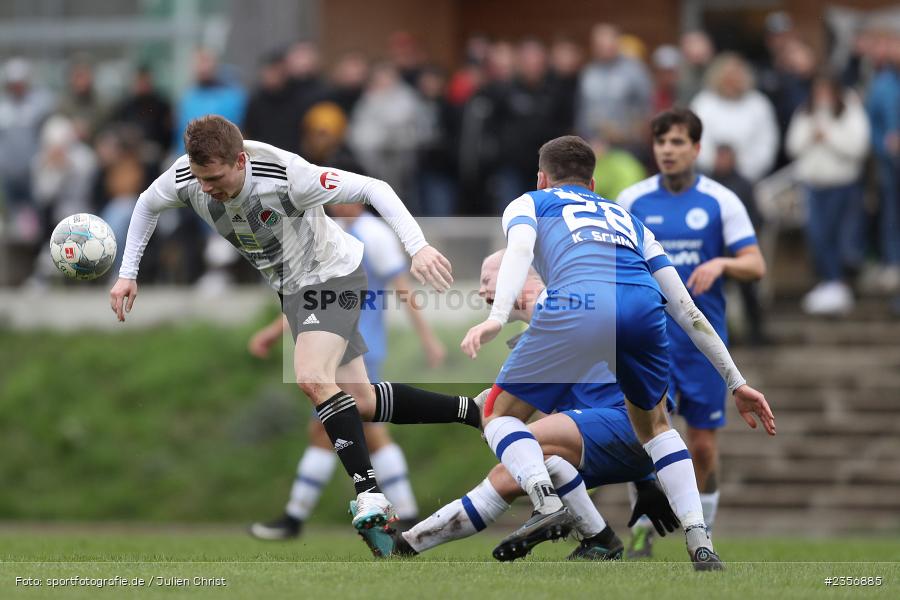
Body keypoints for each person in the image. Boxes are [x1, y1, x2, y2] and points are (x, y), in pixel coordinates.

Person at [109, 115, 483, 550]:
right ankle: (472, 410)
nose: (205, 188)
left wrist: (417, 247)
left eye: (214, 178)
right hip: (294, 291)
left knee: (310, 376)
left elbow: (374, 189)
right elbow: (146, 204)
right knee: (359, 401)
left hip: (332, 277)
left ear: (241, 161)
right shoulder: (186, 175)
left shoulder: (289, 177)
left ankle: (370, 496)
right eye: (199, 177)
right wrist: (127, 273)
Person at [460, 135, 775, 570]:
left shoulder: (529, 202)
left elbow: (517, 252)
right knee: (657, 426)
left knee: (498, 413)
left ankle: (547, 502)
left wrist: (496, 316)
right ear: (592, 183)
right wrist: (736, 382)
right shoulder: (628, 219)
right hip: (644, 308)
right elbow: (686, 309)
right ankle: (700, 541)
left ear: (541, 177)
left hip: (580, 306)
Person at [387, 250, 679, 561]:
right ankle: (406, 545)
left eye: (487, 279)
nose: (481, 290)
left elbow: (498, 413)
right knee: (510, 471)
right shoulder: (547, 323)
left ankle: (564, 517)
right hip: (626, 435)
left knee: (517, 444)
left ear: (517, 274)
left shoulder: (560, 312)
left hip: (633, 429)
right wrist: (644, 479)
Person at [617, 109, 767, 558]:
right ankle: (642, 531)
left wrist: (722, 262)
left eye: (678, 142)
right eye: (661, 142)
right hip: (646, 342)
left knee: (701, 445)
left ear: (697, 149)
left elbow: (756, 265)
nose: (667, 150)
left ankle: (702, 536)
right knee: (643, 441)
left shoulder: (721, 201)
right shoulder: (632, 200)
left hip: (701, 343)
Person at [248, 201, 446, 539]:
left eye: (338, 194)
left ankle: (297, 518)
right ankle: (406, 516)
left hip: (352, 346)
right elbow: (316, 296)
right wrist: (274, 330)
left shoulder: (373, 234)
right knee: (357, 432)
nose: (332, 200)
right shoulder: (334, 230)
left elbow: (402, 288)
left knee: (340, 429)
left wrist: (428, 339)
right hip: (337, 339)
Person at [786, 73, 870, 316]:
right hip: (813, 185)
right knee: (817, 235)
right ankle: (831, 282)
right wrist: (812, 135)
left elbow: (857, 147)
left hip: (842, 186)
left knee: (840, 236)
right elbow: (793, 145)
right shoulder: (805, 112)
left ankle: (839, 282)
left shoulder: (849, 110)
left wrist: (829, 135)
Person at [690, 53, 779, 183]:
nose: (732, 82)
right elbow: (694, 138)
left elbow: (767, 143)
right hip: (709, 178)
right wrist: (714, 162)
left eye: (736, 77)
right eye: (728, 77)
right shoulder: (703, 103)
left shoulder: (758, 104)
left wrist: (742, 168)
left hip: (749, 179)